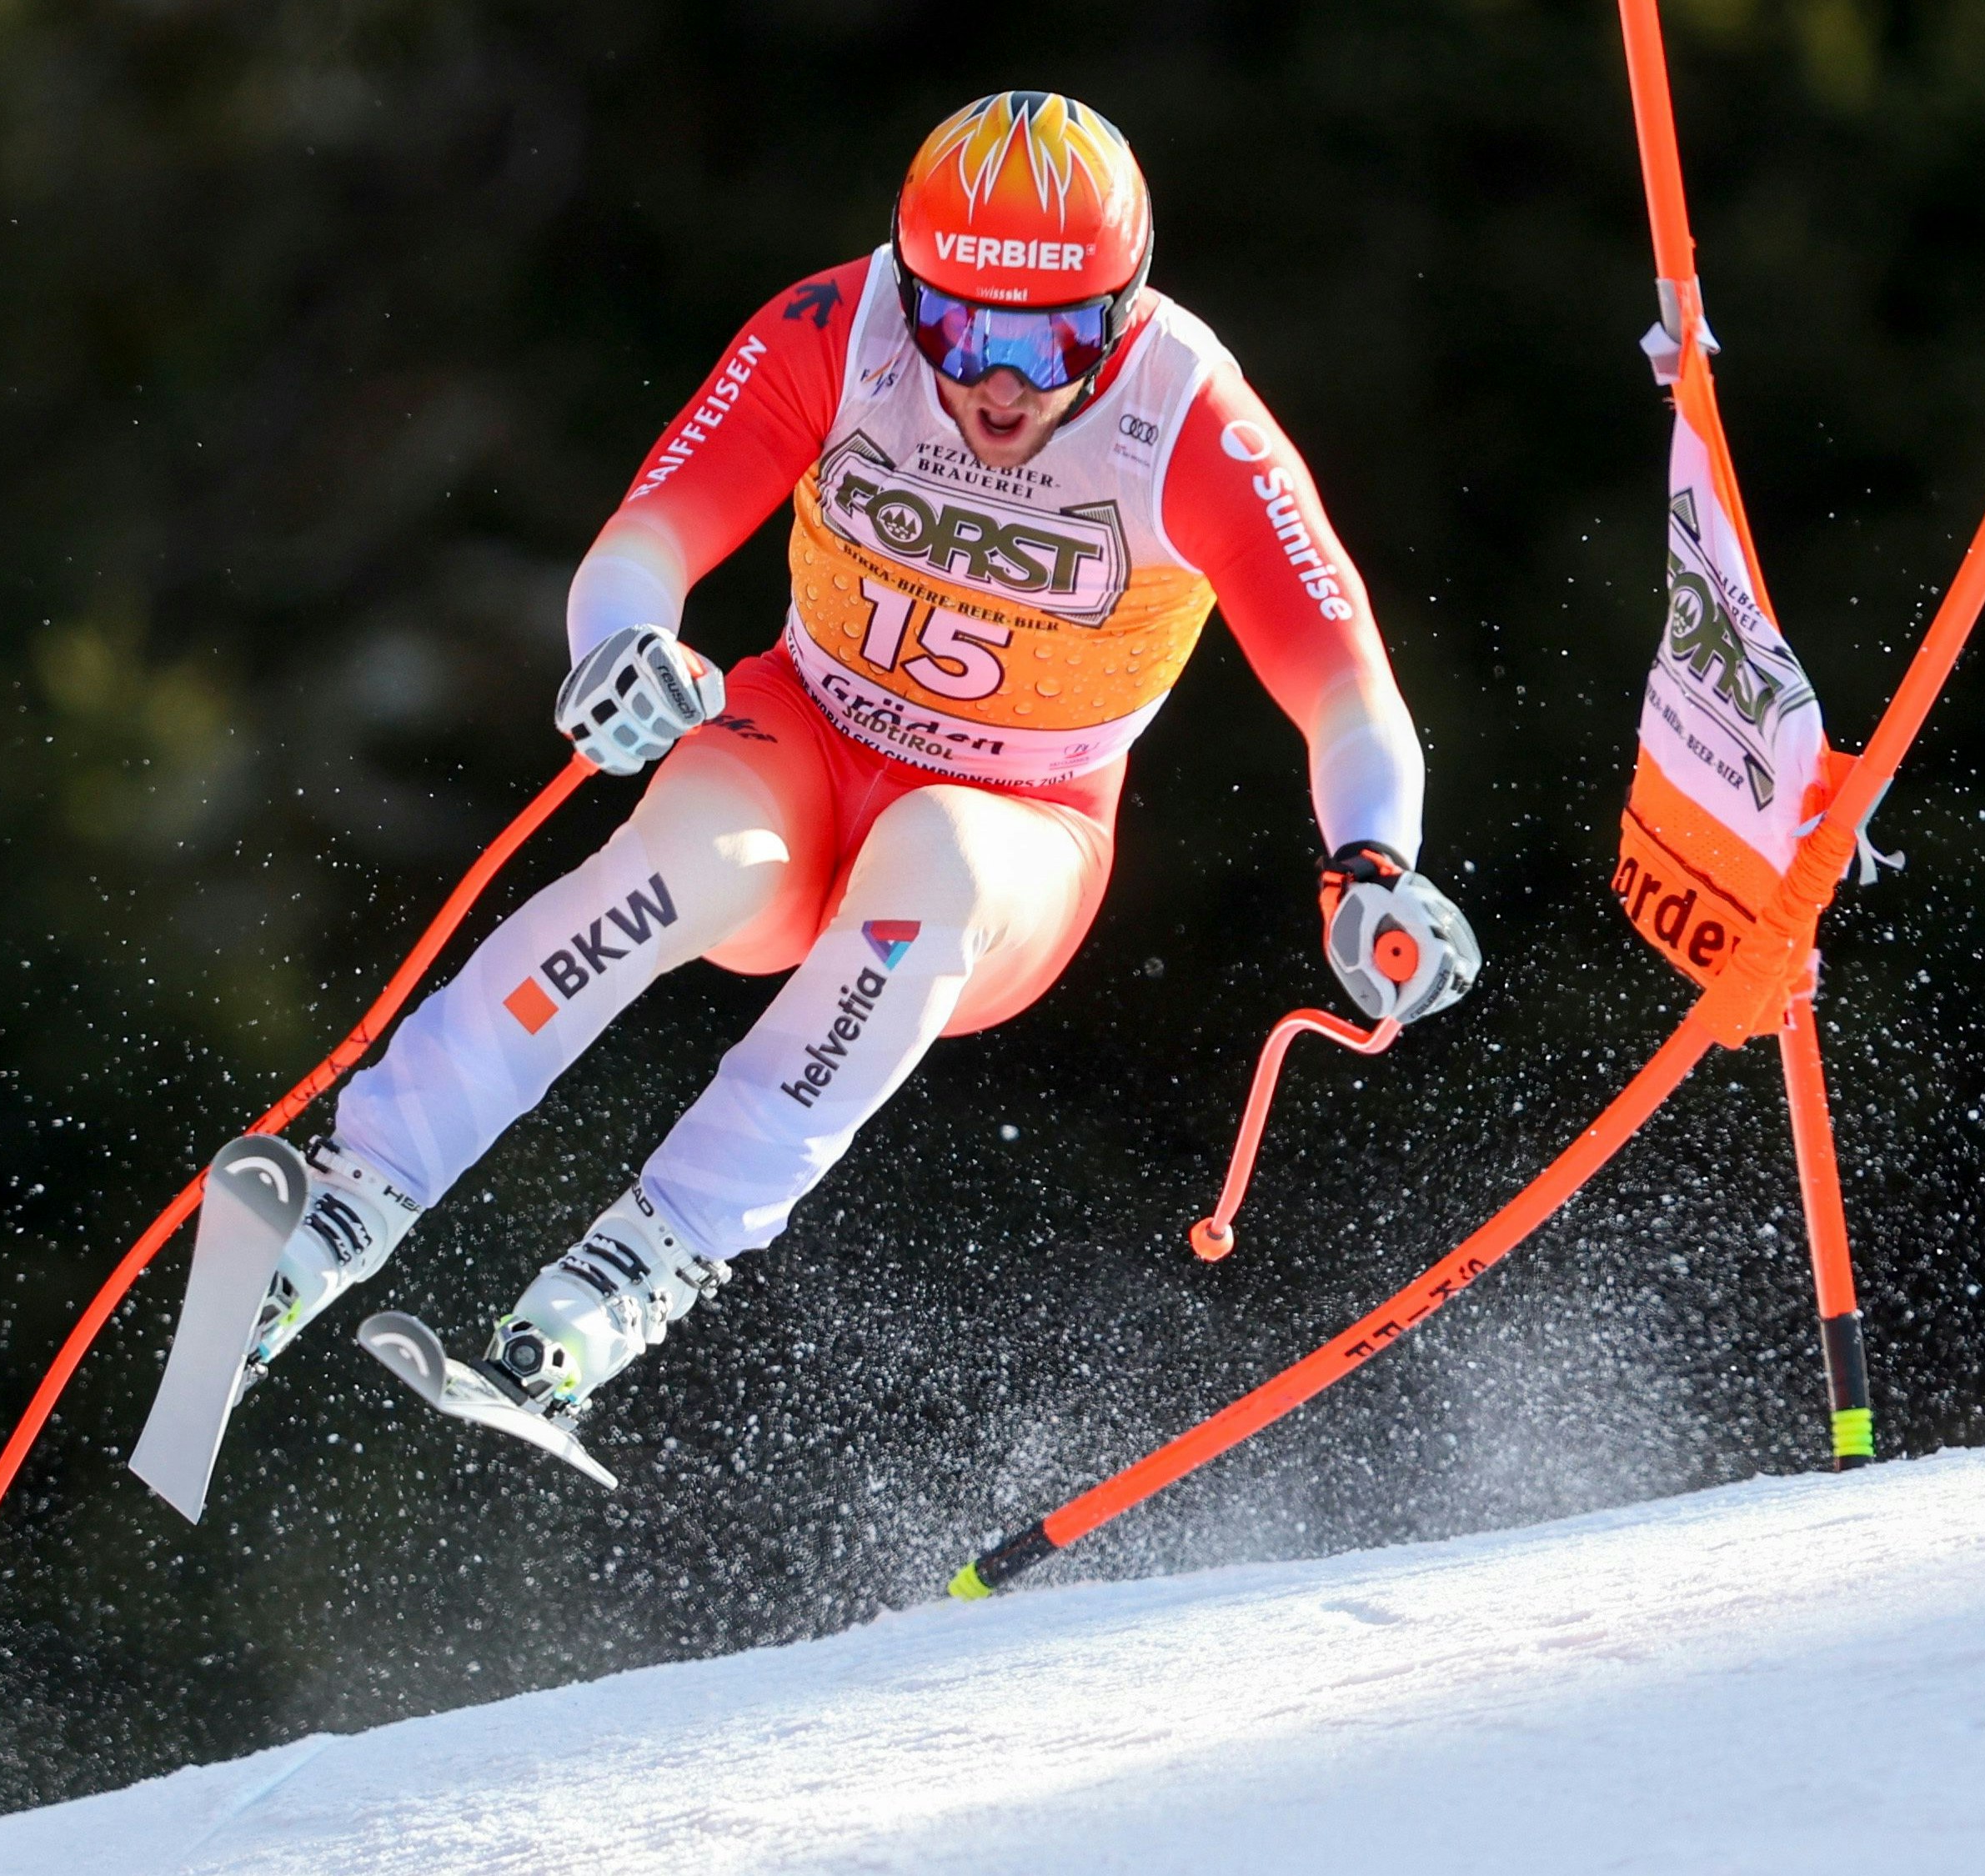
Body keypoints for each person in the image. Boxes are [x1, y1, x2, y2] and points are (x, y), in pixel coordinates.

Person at [243, 90, 1477, 1427]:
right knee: (679, 860)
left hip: (1022, 826)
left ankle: (640, 1267)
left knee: (929, 868)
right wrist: (620, 646)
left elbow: (1350, 689)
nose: (1000, 381)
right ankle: (350, 1199)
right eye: (961, 325)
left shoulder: (1191, 419)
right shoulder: (840, 332)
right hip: (808, 736)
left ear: (1120, 312)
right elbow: (648, 538)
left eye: (1054, 338)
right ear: (907, 279)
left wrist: (1371, 861)